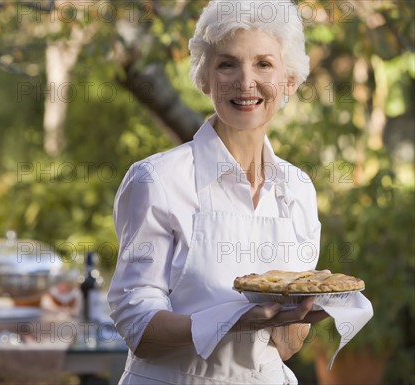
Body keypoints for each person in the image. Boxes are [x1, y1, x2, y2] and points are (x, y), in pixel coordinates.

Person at [107, 1, 330, 384]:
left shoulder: (298, 189)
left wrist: (304, 310)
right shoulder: (156, 180)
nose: (245, 82)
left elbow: (284, 346)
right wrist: (231, 320)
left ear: (289, 80)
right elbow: (138, 328)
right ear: (205, 77)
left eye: (263, 64)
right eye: (227, 63)